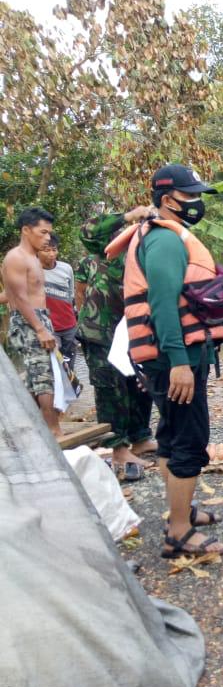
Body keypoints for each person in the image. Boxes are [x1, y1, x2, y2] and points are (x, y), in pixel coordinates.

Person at [105, 164, 223, 558]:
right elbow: (163, 307)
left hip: (170, 357)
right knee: (188, 442)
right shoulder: (164, 242)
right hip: (173, 359)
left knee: (171, 436)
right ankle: (178, 532)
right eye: (189, 196)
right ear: (166, 200)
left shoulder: (163, 236)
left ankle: (183, 511)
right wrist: (179, 361)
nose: (195, 203)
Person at [76, 206, 158, 481]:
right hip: (101, 330)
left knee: (140, 385)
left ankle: (140, 437)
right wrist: (127, 216)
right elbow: (87, 232)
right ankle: (117, 448)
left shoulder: (153, 250)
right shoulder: (116, 247)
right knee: (111, 388)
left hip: (135, 329)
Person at [2, 208, 61, 436]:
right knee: (42, 375)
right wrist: (39, 328)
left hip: (39, 318)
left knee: (40, 375)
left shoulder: (32, 258)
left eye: (49, 233)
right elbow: (18, 297)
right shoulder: (16, 257)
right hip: (29, 321)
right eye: (43, 232)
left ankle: (35, 430)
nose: (47, 237)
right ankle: (53, 431)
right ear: (26, 230)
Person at [39, 233, 79, 369]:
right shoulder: (32, 271)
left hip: (69, 325)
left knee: (70, 366)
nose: (51, 254)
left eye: (54, 249)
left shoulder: (66, 268)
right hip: (49, 328)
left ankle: (73, 389)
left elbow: (71, 295)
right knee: (55, 366)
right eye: (47, 250)